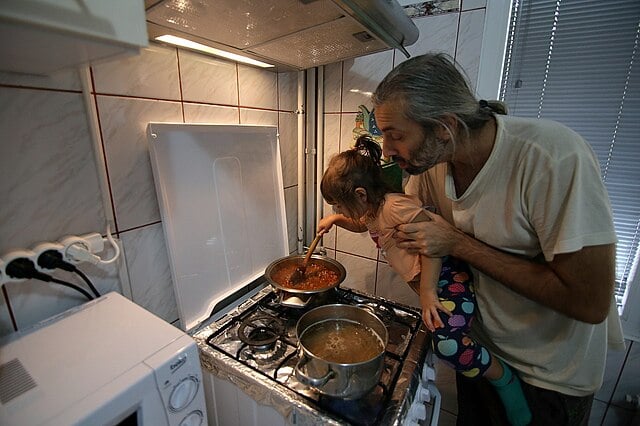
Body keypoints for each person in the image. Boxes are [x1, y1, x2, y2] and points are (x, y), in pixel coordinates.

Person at [370, 53, 623, 425]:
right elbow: (427, 252)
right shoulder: (429, 167)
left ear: (445, 127)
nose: (386, 150)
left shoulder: (551, 157)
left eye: (395, 135)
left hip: (550, 376)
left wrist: (457, 243)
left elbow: (588, 303)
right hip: (484, 353)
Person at [318, 135, 531, 426]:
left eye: (338, 207)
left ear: (360, 195)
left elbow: (433, 245)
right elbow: (361, 224)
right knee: (446, 343)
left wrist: (429, 292)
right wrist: (337, 222)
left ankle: (504, 379)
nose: (338, 212)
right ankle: (487, 372)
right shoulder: (371, 211)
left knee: (448, 346)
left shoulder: (394, 207)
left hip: (447, 280)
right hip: (434, 286)